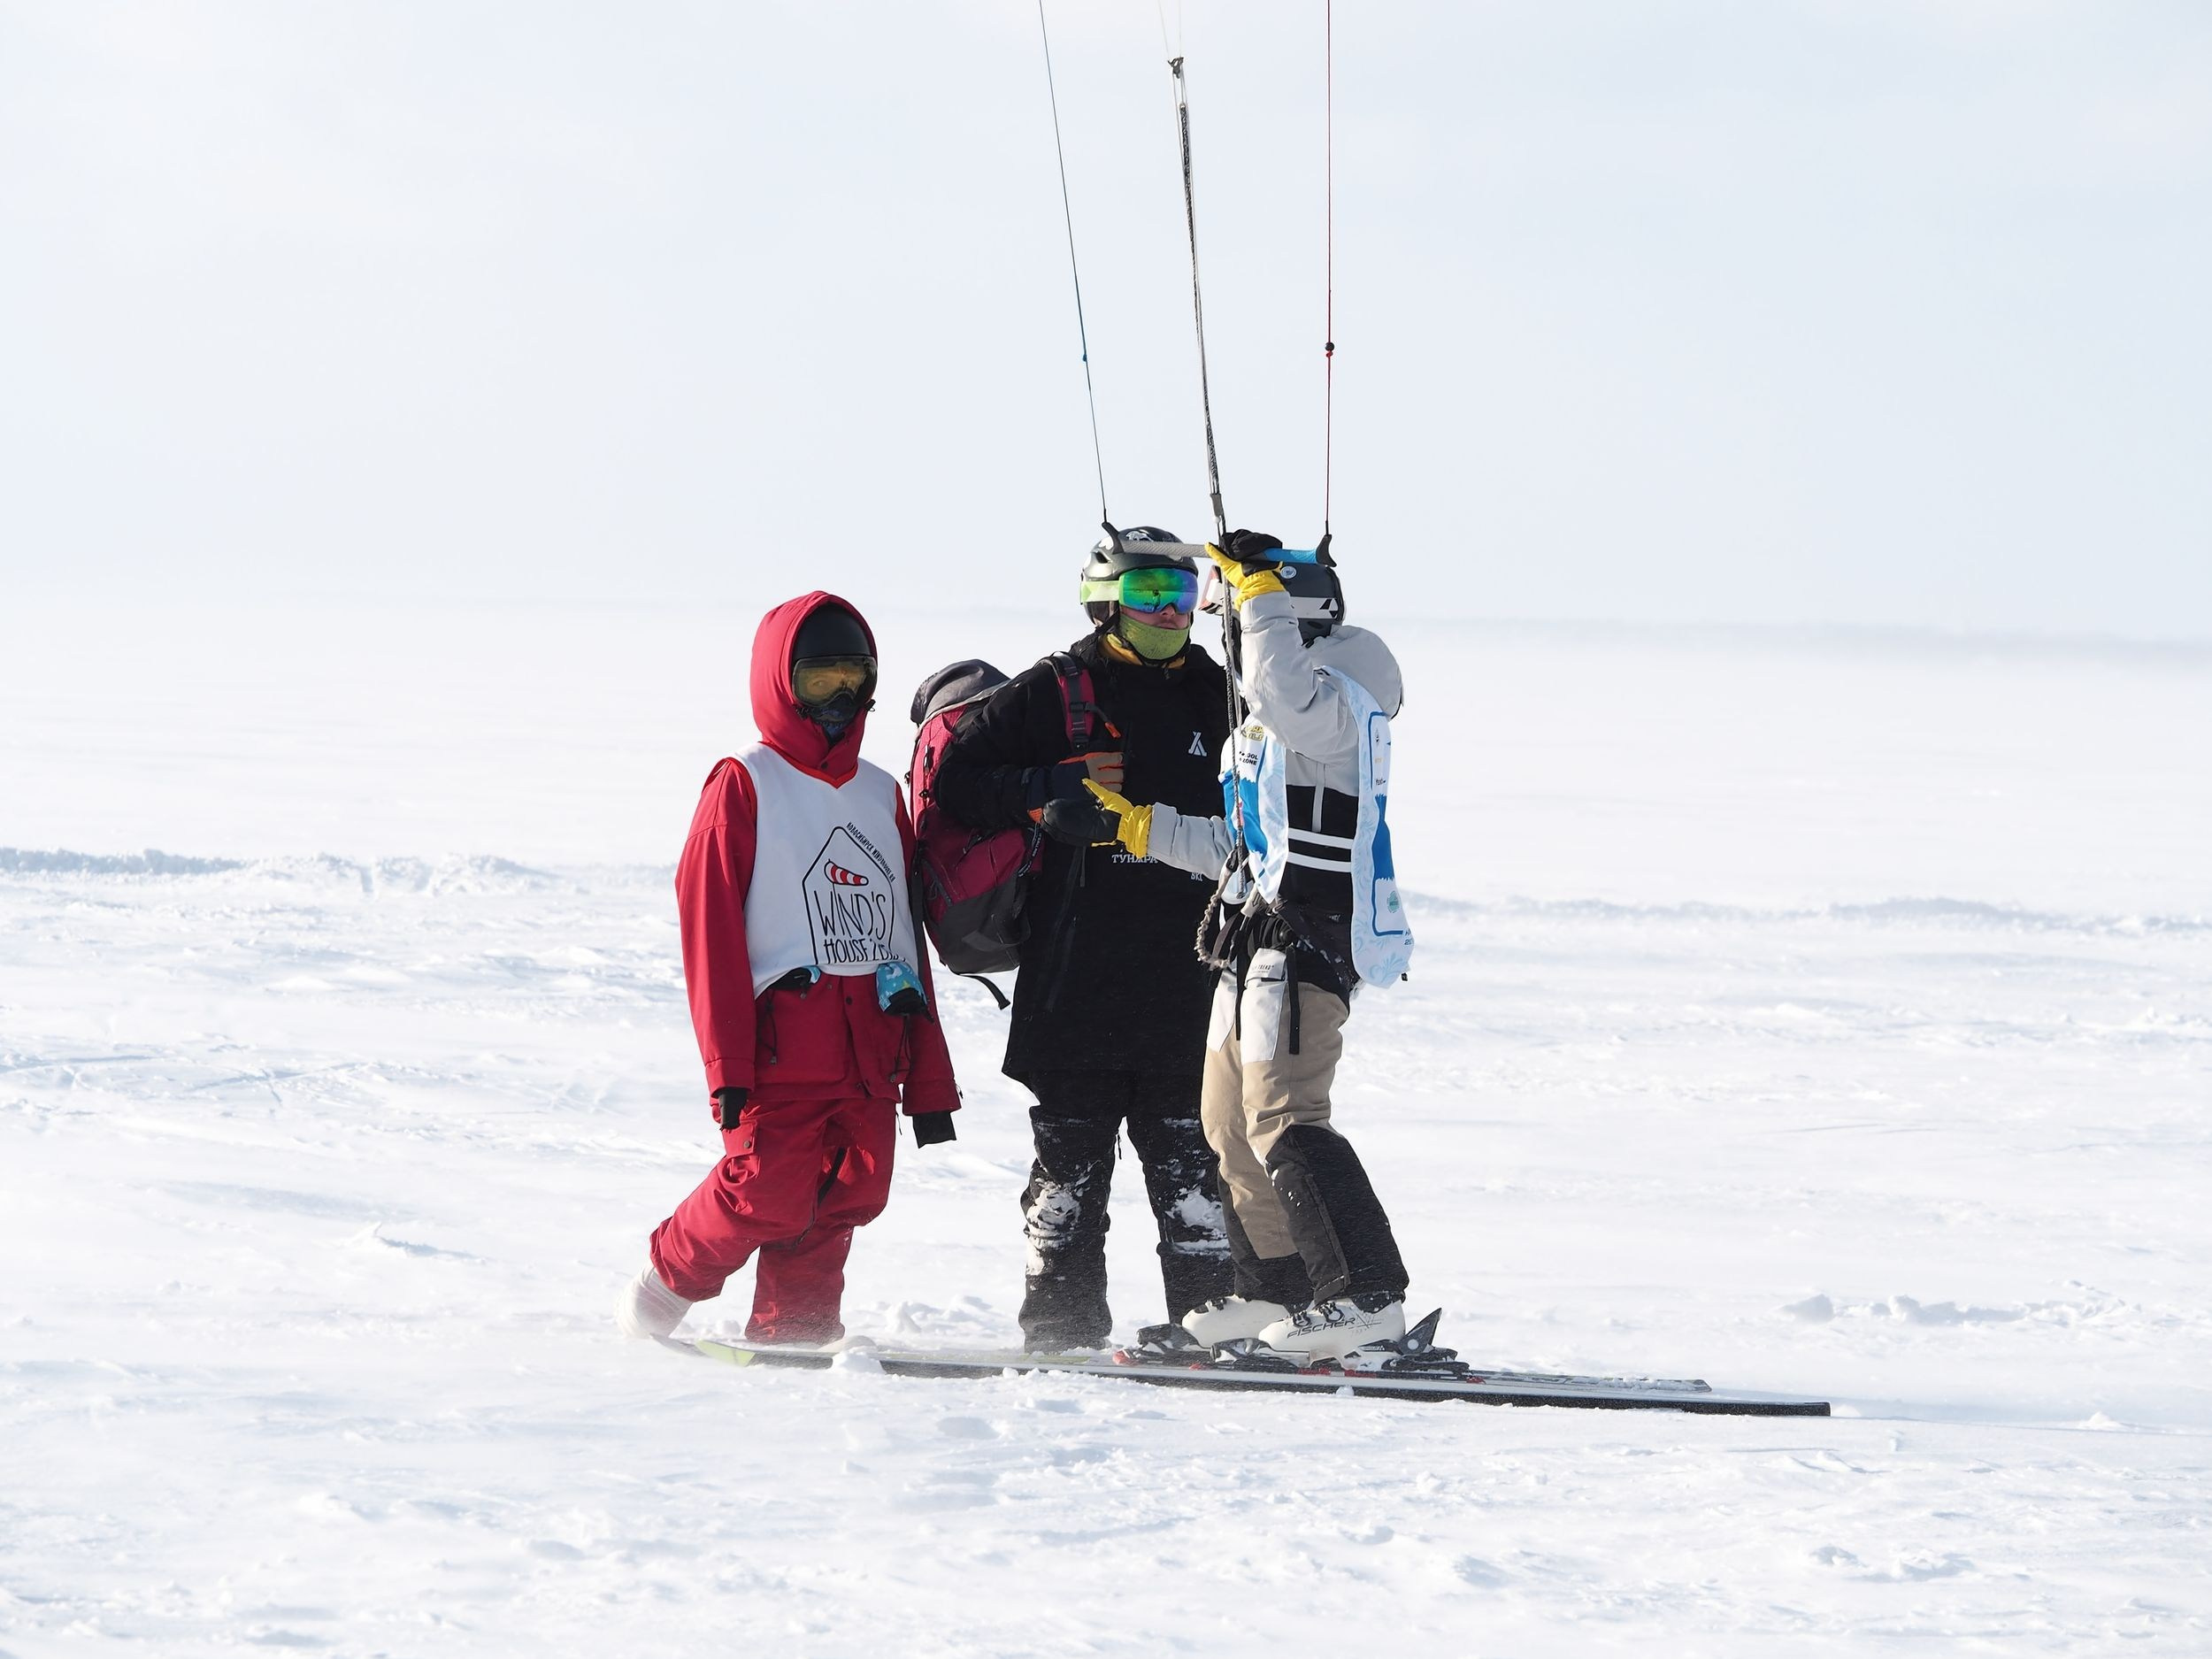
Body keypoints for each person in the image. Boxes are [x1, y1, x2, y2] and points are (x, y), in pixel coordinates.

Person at [1062, 532, 1417, 1362]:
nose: (1222, 623)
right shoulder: (1280, 719)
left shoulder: (1339, 702)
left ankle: (1365, 1293)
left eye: (1238, 609)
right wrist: (1142, 827)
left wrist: (1256, 592)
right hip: (1251, 938)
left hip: (1308, 939)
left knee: (1285, 1111)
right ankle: (1278, 1290)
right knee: (1227, 1120)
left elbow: (1280, 687)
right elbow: (1246, 842)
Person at [615, 592, 962, 1344]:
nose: (839, 699)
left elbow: (905, 941)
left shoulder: (880, 794)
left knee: (853, 1192)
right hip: (780, 1051)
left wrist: (929, 1080)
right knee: (765, 1191)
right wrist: (727, 1064)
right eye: (818, 680)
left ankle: (795, 1330)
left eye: (853, 679)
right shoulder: (744, 784)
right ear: (780, 682)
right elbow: (708, 933)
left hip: (872, 1048)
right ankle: (666, 1278)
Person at [930, 527, 1234, 1349]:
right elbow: (954, 784)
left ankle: (1211, 1337)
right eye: (1146, 594)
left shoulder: (1221, 690)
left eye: (1183, 590)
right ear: (1104, 602)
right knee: (1068, 1182)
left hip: (1191, 985)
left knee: (1196, 1183)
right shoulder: (1054, 688)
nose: (1170, 609)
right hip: (1075, 986)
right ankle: (1060, 1337)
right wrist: (1045, 787)